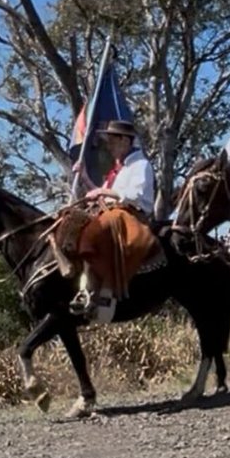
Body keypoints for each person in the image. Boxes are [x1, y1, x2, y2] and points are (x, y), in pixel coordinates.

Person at [55, 120, 161, 322]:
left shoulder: (141, 164)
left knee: (93, 233)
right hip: (110, 210)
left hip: (130, 215)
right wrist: (85, 178)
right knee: (70, 220)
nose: (109, 146)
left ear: (124, 140)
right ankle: (77, 280)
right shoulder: (118, 169)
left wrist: (103, 191)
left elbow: (135, 194)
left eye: (112, 141)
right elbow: (101, 194)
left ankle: (98, 292)